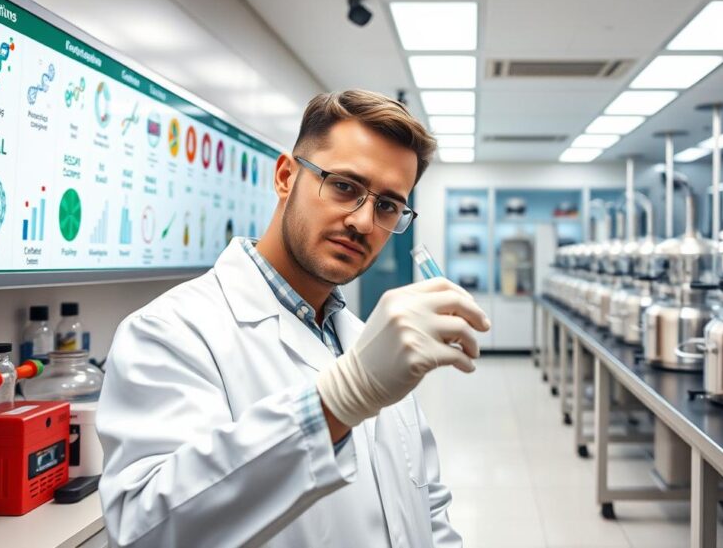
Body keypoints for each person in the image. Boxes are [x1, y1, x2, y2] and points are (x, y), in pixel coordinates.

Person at [97, 90, 490, 547]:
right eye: (344, 186)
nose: (363, 222)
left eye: (387, 206)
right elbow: (147, 532)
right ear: (286, 177)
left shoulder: (367, 341)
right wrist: (337, 402)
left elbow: (427, 508)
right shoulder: (170, 331)